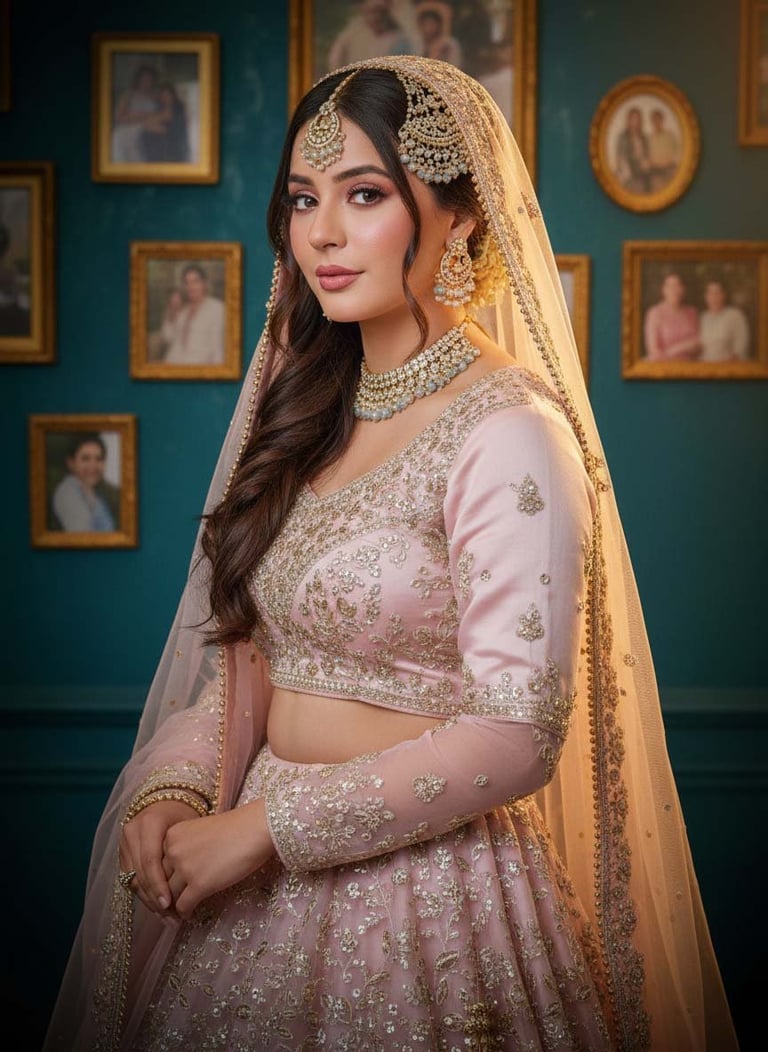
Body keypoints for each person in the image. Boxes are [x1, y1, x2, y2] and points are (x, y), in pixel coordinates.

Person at [45, 57, 737, 1051]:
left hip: (433, 900)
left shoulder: (506, 430)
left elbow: (515, 734)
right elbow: (252, 665)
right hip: (245, 891)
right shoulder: (307, 419)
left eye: (364, 194)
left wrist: (265, 829)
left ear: (458, 215)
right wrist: (177, 785)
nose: (320, 232)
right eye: (301, 199)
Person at [160, 263, 225, 365]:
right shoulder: (183, 310)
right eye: (187, 282)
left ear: (205, 283)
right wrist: (171, 313)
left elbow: (217, 348)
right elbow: (167, 337)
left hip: (199, 369)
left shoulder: (217, 308)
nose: (191, 287)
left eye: (195, 281)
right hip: (172, 366)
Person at [51, 433, 116, 532]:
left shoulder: (98, 496)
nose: (93, 466)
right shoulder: (67, 493)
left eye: (99, 459)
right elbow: (84, 537)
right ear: (71, 463)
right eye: (85, 458)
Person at [327, 0, 416, 69]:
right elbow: (335, 58)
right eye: (371, 12)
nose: (376, 17)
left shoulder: (398, 38)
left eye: (380, 12)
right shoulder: (353, 31)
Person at [644, 270, 701, 360]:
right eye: (669, 286)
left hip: (690, 367)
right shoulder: (655, 313)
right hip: (664, 368)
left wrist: (694, 347)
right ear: (663, 289)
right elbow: (654, 353)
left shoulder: (691, 312)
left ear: (683, 289)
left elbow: (699, 345)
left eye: (677, 285)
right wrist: (681, 347)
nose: (674, 290)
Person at [111, 65, 160, 164]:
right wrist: (140, 117)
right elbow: (118, 118)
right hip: (129, 128)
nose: (146, 82)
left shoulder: (156, 96)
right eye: (144, 78)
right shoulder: (128, 94)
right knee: (119, 136)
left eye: (149, 79)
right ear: (138, 79)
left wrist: (146, 118)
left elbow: (161, 114)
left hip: (149, 129)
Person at [699, 278, 751, 362]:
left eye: (717, 292)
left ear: (724, 295)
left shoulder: (735, 316)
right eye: (710, 293)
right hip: (704, 369)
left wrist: (720, 367)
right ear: (706, 297)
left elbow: (740, 350)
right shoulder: (703, 318)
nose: (714, 297)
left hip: (728, 370)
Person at [140, 82, 190, 164]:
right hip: (158, 141)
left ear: (173, 95)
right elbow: (147, 123)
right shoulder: (159, 108)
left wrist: (156, 125)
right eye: (163, 95)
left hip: (174, 141)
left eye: (167, 94)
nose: (165, 97)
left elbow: (173, 129)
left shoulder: (178, 108)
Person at [614, 105, 651, 194]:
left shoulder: (644, 138)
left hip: (643, 171)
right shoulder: (623, 137)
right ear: (628, 120)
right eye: (633, 119)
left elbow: (647, 156)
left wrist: (645, 161)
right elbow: (621, 157)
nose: (635, 122)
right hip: (628, 169)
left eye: (638, 119)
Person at [647, 107, 680, 191]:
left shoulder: (669, 135)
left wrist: (672, 164)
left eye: (658, 119)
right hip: (655, 171)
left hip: (669, 169)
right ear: (651, 121)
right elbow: (647, 157)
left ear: (662, 120)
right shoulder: (649, 138)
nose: (656, 122)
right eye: (654, 120)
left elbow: (678, 152)